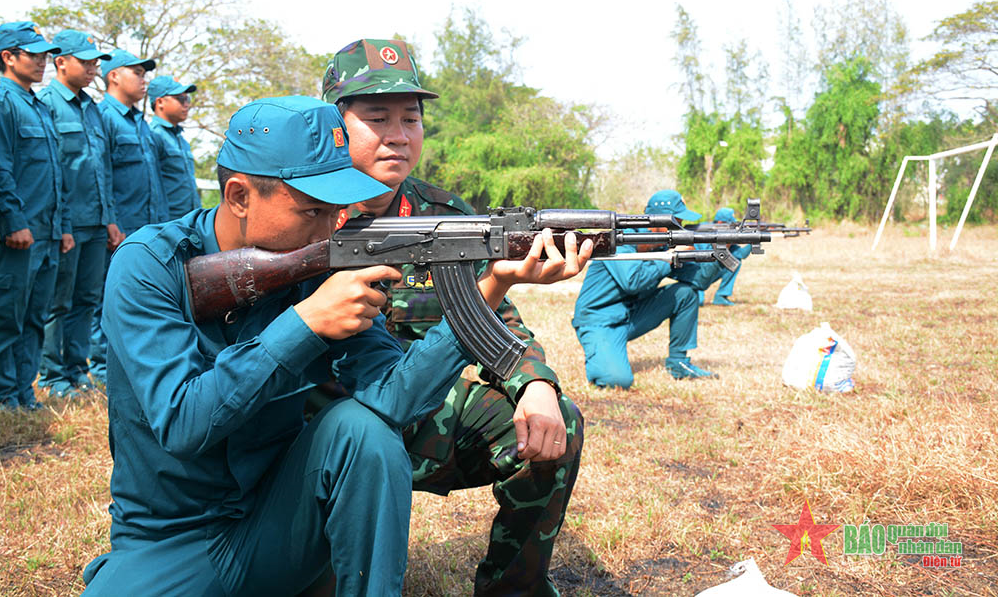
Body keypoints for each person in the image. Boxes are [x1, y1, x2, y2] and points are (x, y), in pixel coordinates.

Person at [80, 95, 590, 596]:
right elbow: (183, 422)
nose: (329, 232)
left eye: (336, 211)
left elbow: (397, 402)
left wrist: (491, 287)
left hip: (283, 528)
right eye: (312, 212)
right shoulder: (149, 265)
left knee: (362, 428)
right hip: (170, 541)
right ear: (238, 196)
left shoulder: (317, 272)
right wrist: (306, 324)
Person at [319, 38, 583, 596]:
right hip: (323, 430)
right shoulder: (300, 214)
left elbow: (493, 313)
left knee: (555, 417)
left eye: (410, 118)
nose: (398, 134)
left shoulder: (444, 216)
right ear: (334, 125)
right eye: (377, 117)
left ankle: (514, 590)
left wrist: (534, 381)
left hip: (422, 417)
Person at [36, 30, 122, 399]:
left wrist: (110, 219)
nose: (93, 68)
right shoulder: (47, 104)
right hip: (65, 224)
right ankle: (53, 377)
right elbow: (51, 173)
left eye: (95, 62)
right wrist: (63, 224)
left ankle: (76, 371)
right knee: (59, 301)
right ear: (60, 62)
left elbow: (103, 169)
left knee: (87, 299)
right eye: (85, 62)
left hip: (96, 223)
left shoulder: (92, 108)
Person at [572, 189, 721, 389]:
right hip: (599, 321)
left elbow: (698, 281)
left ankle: (679, 363)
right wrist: (670, 257)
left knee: (685, 294)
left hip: (632, 315)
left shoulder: (660, 246)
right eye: (678, 222)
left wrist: (721, 249)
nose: (682, 228)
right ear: (659, 224)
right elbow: (633, 282)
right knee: (617, 381)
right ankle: (601, 354)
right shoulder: (618, 241)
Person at [0, 21, 70, 410]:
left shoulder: (38, 105)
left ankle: (23, 392)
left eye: (46, 54)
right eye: (34, 54)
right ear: (8, 57)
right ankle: (3, 394)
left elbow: (55, 174)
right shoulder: (2, 101)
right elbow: (0, 167)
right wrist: (14, 221)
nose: (43, 61)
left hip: (46, 232)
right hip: (19, 233)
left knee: (34, 316)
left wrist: (63, 228)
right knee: (6, 315)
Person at [90, 48, 165, 385]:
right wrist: (110, 221)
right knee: (104, 297)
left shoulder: (141, 122)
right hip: (120, 227)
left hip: (146, 227)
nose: (144, 79)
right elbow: (101, 173)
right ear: (114, 75)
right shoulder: (102, 116)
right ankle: (100, 368)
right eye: (137, 72)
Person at [148, 75, 201, 220]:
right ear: (160, 102)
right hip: (168, 221)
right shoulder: (153, 135)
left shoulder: (181, 139)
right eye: (180, 99)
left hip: (190, 219)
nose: (186, 104)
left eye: (187, 99)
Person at [695, 207, 751, 307]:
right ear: (720, 223)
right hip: (696, 273)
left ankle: (721, 296)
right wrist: (725, 244)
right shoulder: (703, 230)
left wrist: (755, 239)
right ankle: (696, 291)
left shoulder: (727, 234)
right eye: (730, 224)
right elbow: (705, 259)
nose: (732, 227)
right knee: (698, 302)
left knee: (734, 261)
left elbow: (742, 254)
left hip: (710, 272)